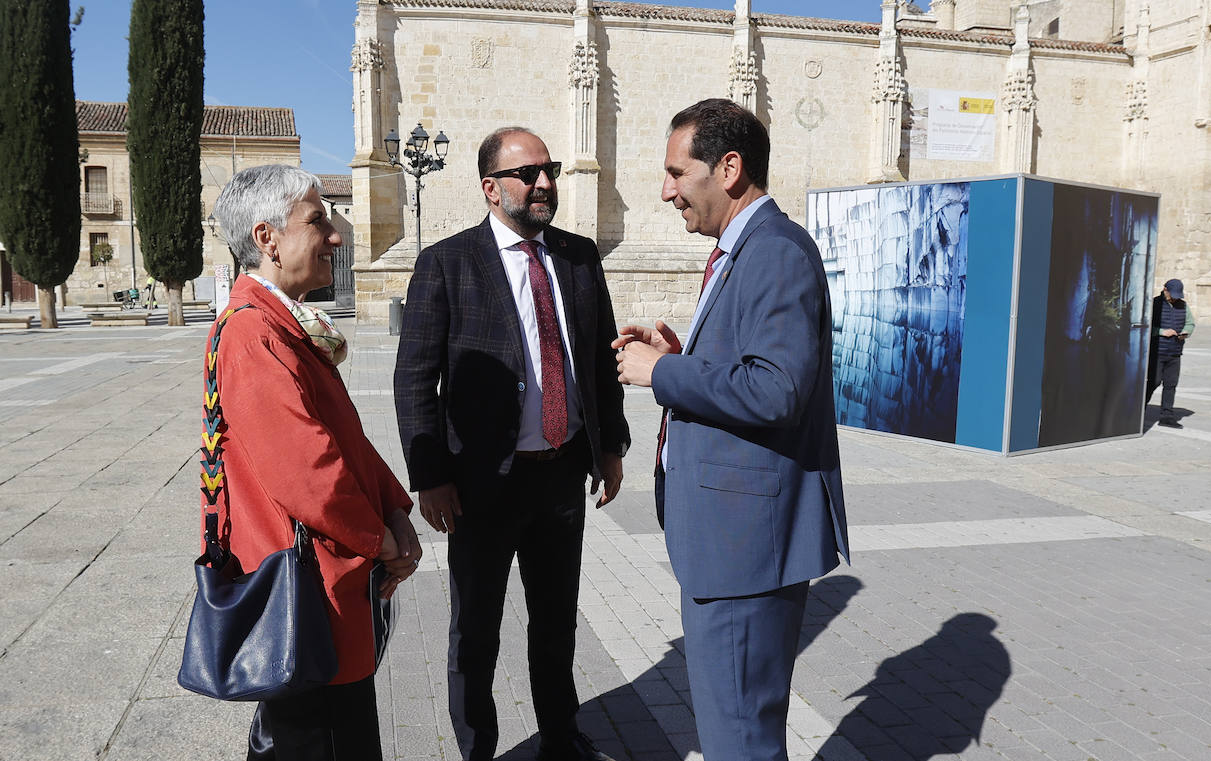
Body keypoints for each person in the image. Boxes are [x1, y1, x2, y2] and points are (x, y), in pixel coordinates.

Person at [613, 98, 850, 761]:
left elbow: (776, 391)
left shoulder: (773, 251)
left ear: (730, 168)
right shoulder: (743, 248)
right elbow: (752, 368)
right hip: (730, 540)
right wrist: (681, 354)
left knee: (739, 740)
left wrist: (663, 374)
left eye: (676, 173)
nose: (666, 192)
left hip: (748, 548)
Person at [393, 127, 630, 761]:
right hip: (481, 484)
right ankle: (478, 750)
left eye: (548, 170)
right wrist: (429, 475)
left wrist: (611, 447)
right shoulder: (447, 263)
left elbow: (600, 363)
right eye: (529, 174)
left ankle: (561, 739)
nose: (545, 183)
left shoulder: (580, 259)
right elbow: (414, 377)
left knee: (556, 626)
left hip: (560, 474)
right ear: (491, 189)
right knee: (476, 634)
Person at [209, 164, 421, 760]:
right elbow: (307, 470)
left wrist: (395, 513)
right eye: (317, 220)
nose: (335, 235)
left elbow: (344, 439)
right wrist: (380, 537)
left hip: (331, 585)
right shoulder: (253, 333)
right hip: (308, 596)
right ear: (267, 238)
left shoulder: (285, 324)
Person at [1147, 277, 1195, 428]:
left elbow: (1190, 323)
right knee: (1153, 382)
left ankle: (1166, 416)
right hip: (1157, 351)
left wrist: (1186, 332)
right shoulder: (1154, 304)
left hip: (1175, 352)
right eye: (1171, 295)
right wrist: (1161, 332)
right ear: (1165, 290)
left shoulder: (1183, 306)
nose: (1174, 299)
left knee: (1171, 384)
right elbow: (1146, 326)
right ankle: (1138, 409)